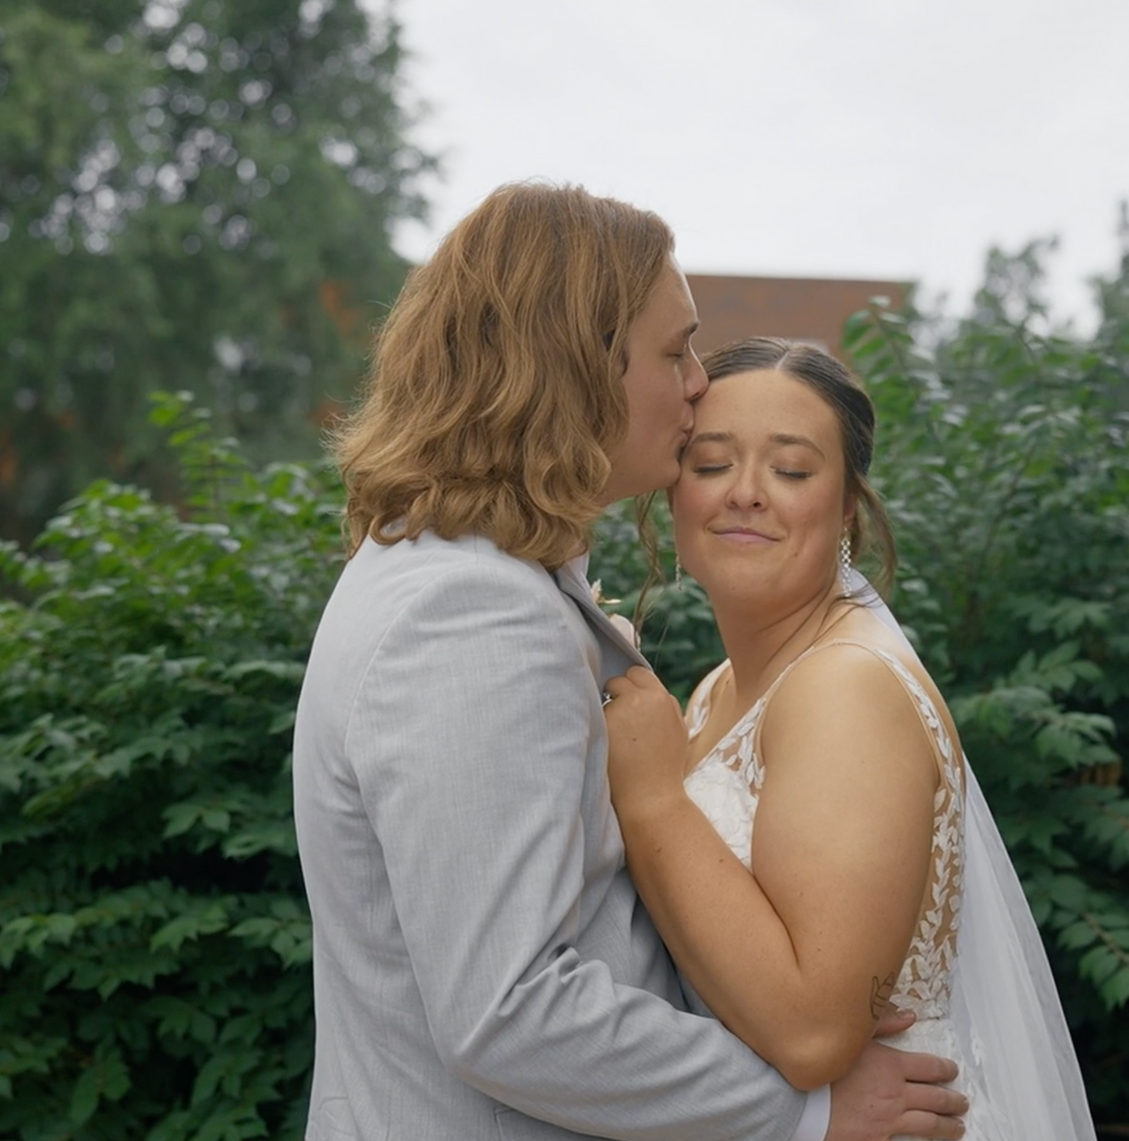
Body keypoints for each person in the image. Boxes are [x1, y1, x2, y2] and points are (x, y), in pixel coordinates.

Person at [291, 184, 969, 1141]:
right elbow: (510, 1009)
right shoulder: (468, 612)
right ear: (576, 362)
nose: (698, 381)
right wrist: (801, 1110)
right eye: (673, 348)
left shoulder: (472, 577)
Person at [602, 337, 1099, 1140]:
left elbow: (811, 1034)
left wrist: (652, 798)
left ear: (847, 509)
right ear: (672, 494)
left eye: (792, 470)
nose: (748, 493)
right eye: (711, 463)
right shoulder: (714, 691)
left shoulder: (846, 688)